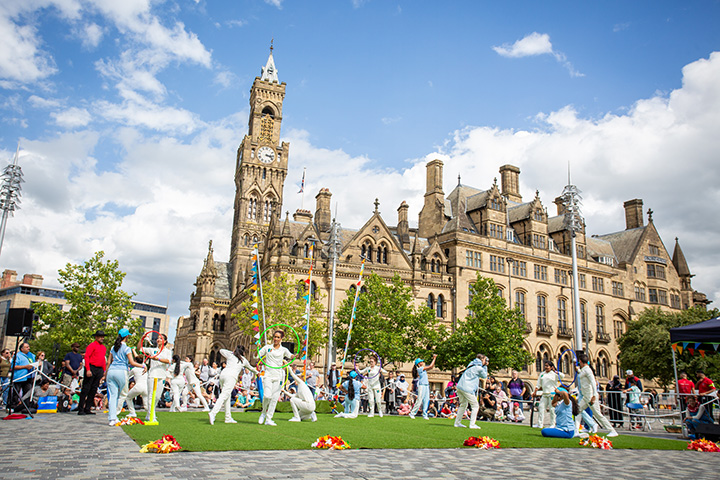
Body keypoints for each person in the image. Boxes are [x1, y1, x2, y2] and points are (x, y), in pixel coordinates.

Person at [209, 345, 258, 425]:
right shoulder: (243, 360)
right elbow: (251, 368)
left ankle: (228, 417)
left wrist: (233, 352)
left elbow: (221, 350)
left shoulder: (230, 355)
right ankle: (213, 413)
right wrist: (258, 373)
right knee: (224, 395)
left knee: (227, 397)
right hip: (231, 377)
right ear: (244, 353)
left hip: (223, 375)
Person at [106, 329, 145, 426]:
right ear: (126, 336)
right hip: (121, 371)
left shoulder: (113, 347)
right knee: (123, 394)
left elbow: (108, 362)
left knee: (113, 396)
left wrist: (105, 373)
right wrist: (143, 366)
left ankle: (112, 418)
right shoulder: (126, 348)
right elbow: (132, 363)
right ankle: (115, 414)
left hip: (111, 371)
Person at [575, 353, 618, 437]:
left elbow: (593, 383)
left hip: (590, 396)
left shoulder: (588, 370)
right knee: (577, 411)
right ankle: (576, 430)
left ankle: (612, 430)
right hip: (586, 396)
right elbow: (582, 374)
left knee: (598, 414)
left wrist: (594, 395)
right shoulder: (584, 369)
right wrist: (578, 370)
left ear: (580, 361)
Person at [257, 330, 294, 426]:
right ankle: (263, 413)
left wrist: (295, 356)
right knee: (267, 396)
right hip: (268, 374)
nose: (276, 339)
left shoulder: (283, 350)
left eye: (278, 337)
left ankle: (269, 418)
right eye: (275, 337)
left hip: (278, 375)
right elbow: (257, 356)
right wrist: (258, 349)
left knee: (274, 398)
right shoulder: (267, 348)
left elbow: (291, 356)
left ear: (281, 339)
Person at [139, 333, 172, 422]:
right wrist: (142, 339)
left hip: (161, 375)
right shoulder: (152, 350)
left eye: (160, 338)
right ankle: (151, 416)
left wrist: (158, 359)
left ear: (165, 341)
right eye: (158, 338)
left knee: (157, 397)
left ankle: (150, 413)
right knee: (151, 396)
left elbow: (168, 361)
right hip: (152, 374)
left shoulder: (168, 351)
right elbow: (140, 348)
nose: (158, 340)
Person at [454, 354, 488, 429]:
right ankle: (472, 424)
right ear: (482, 360)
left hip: (460, 386)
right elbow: (484, 376)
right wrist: (485, 366)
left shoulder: (471, 364)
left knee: (463, 404)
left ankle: (457, 423)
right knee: (475, 406)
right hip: (467, 388)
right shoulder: (479, 368)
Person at [78, 331, 107, 416]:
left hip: (99, 369)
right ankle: (81, 408)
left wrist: (104, 371)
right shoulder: (92, 345)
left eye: (103, 337)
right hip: (91, 367)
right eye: (100, 336)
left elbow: (103, 360)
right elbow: (87, 357)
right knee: (86, 388)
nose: (102, 338)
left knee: (93, 389)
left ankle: (88, 408)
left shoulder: (103, 348)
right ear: (96, 337)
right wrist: (88, 369)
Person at [532, 361, 563, 428]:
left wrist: (557, 372)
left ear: (551, 367)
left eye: (547, 366)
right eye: (545, 366)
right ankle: (540, 424)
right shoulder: (542, 374)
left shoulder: (554, 374)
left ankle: (552, 424)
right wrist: (535, 392)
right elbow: (538, 384)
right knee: (541, 408)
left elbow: (562, 376)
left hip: (552, 394)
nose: (546, 367)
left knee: (552, 410)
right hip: (544, 394)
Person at [409, 354, 437, 420]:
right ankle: (412, 413)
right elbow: (430, 367)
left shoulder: (422, 369)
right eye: (421, 362)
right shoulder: (420, 368)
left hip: (426, 385)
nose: (422, 363)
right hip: (422, 385)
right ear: (418, 364)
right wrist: (434, 358)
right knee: (419, 400)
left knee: (426, 400)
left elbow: (431, 367)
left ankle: (425, 414)